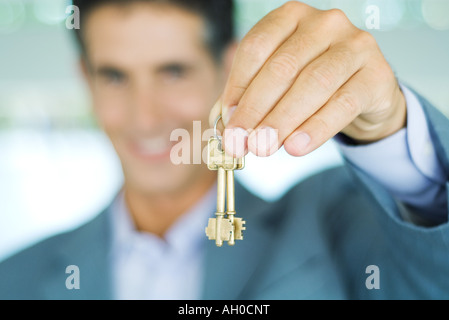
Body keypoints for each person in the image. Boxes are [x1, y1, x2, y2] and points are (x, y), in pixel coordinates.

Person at [0, 0, 448, 300]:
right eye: (115, 76)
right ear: (85, 78)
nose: (145, 117)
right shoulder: (14, 278)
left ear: (228, 66)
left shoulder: (334, 224)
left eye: (173, 71)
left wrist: (388, 131)